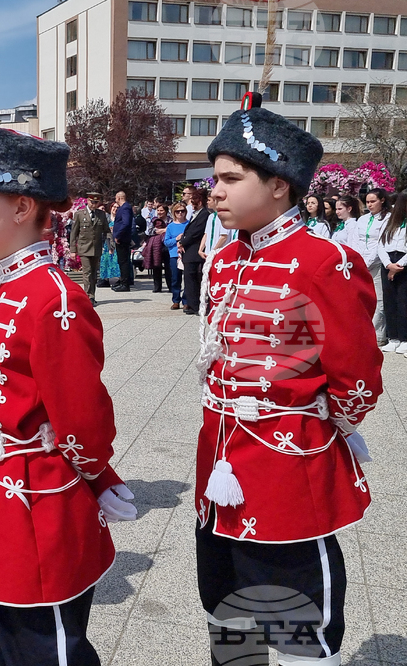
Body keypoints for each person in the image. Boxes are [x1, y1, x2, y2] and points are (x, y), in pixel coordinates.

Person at [0, 107, 136, 666]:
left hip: (33, 502)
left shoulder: (54, 297)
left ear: (23, 206)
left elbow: (83, 420)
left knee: (43, 647)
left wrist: (96, 478)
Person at [196, 94, 383, 666]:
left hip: (287, 463)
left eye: (231, 178)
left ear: (279, 184)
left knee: (297, 616)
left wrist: (318, 426)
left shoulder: (324, 261)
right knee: (226, 604)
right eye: (215, 178)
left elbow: (356, 375)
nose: (215, 191)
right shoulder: (227, 259)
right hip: (221, 458)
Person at [349, 189, 392, 346]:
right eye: (367, 202)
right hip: (360, 263)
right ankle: (362, 331)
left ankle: (378, 334)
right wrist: (357, 260)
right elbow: (355, 240)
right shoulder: (363, 219)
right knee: (360, 297)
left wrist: (368, 262)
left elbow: (380, 242)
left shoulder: (387, 218)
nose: (370, 204)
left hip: (378, 263)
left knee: (379, 298)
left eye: (373, 201)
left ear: (382, 200)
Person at [378, 192, 407, 355]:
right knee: (390, 301)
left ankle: (404, 338)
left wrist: (399, 265)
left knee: (403, 302)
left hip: (403, 263)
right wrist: (388, 264)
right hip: (389, 261)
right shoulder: (390, 222)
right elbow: (380, 244)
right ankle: (393, 338)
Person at [70, 192, 110, 305]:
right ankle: (88, 296)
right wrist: (73, 250)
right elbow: (74, 233)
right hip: (84, 248)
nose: (94, 204)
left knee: (93, 273)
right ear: (88, 201)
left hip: (96, 248)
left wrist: (110, 244)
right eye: (92, 202)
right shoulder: (79, 214)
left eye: (96, 202)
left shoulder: (101, 214)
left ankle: (92, 294)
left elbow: (106, 231)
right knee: (87, 272)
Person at [178, 188, 212, 315]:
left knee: (194, 279)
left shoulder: (204, 214)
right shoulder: (195, 214)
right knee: (188, 279)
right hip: (189, 251)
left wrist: (183, 241)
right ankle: (192, 305)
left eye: (194, 202)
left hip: (194, 250)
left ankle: (197, 305)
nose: (192, 205)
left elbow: (196, 232)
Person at [141, 203, 171, 292]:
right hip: (156, 246)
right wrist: (158, 230)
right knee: (156, 265)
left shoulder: (171, 220)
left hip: (167, 245)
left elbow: (172, 230)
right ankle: (157, 287)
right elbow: (149, 231)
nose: (160, 212)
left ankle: (170, 286)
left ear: (166, 211)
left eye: (162, 210)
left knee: (168, 267)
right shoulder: (154, 220)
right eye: (158, 210)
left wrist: (164, 230)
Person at [165, 203, 189, 310]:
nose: (180, 213)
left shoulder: (189, 224)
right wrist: (176, 239)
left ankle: (186, 301)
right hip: (174, 255)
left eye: (182, 211)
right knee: (175, 278)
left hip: (187, 253)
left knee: (188, 278)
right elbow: (166, 242)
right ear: (174, 213)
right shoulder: (170, 226)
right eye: (178, 211)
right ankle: (176, 300)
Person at [111, 191, 134, 292]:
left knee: (124, 261)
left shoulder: (125, 208)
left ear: (119, 198)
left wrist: (118, 235)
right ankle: (122, 281)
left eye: (116, 198)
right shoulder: (123, 208)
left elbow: (126, 223)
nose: (115, 200)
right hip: (121, 238)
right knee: (121, 261)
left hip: (122, 239)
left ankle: (125, 284)